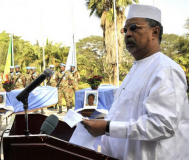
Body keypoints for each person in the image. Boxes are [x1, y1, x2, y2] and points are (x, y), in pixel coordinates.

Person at [81, 4, 189, 160]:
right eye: (125, 30)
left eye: (134, 27)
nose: (128, 34)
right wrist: (103, 123)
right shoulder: (137, 67)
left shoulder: (165, 69)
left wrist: (107, 127)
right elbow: (127, 115)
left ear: (154, 32)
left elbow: (162, 125)